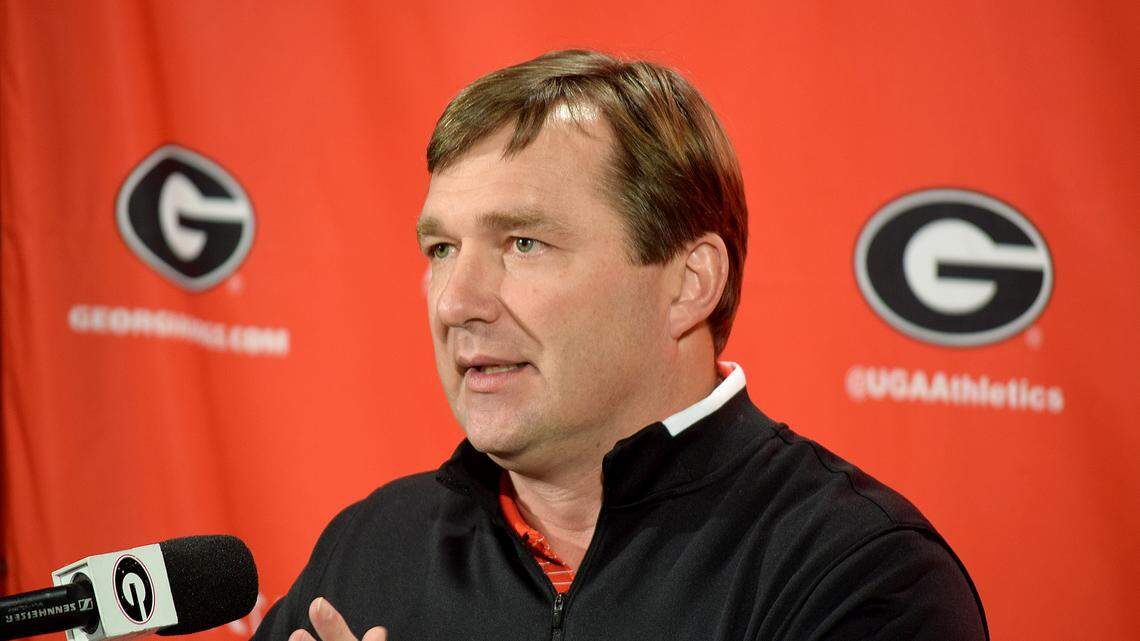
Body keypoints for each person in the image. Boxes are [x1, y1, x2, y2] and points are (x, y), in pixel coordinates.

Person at [252, 49, 988, 641]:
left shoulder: (857, 574)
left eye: (524, 242)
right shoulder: (372, 545)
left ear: (688, 283)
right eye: (441, 247)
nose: (456, 302)